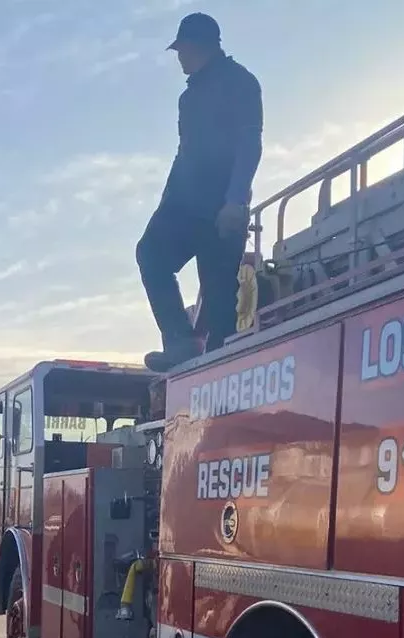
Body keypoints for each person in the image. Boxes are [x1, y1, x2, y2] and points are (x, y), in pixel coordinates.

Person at [137, 12, 263, 372]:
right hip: (183, 204)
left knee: (220, 300)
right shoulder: (188, 99)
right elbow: (184, 153)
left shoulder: (241, 83)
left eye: (182, 49)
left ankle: (216, 375)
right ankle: (180, 342)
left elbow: (249, 142)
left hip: (221, 208)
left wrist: (236, 200)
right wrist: (166, 204)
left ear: (199, 46)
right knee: (150, 253)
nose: (179, 57)